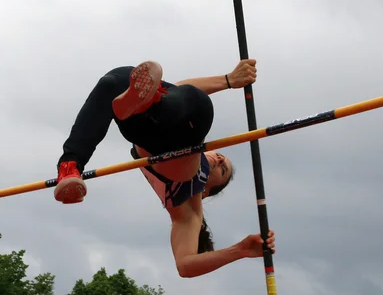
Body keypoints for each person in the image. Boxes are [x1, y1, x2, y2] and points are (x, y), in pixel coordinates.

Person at [54, 59, 276, 278]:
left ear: (207, 190)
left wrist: (240, 250)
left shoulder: (188, 213)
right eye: (222, 157)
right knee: (112, 81)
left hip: (166, 136)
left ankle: (154, 101)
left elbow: (185, 266)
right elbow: (179, 89)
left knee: (198, 102)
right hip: (144, 121)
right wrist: (229, 80)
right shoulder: (190, 124)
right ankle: (70, 166)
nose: (219, 159)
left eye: (222, 170)